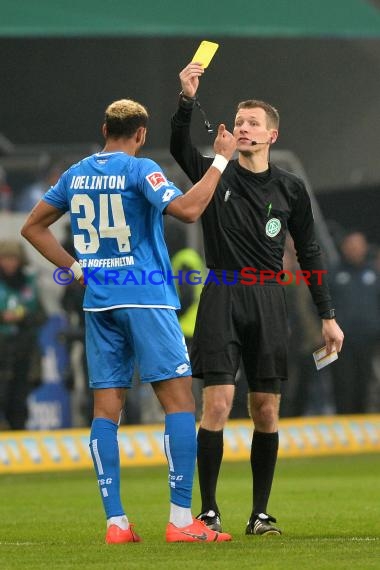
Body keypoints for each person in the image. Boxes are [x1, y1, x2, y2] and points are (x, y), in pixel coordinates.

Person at [21, 98, 236, 544]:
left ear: (104, 128)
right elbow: (191, 209)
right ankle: (180, 521)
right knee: (179, 402)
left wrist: (77, 268)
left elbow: (33, 227)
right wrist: (219, 160)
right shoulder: (141, 171)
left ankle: (116, 524)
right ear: (141, 133)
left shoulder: (75, 173)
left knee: (105, 411)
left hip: (100, 302)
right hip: (146, 297)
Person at [170, 63, 344, 536]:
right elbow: (178, 146)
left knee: (266, 408)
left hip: (269, 297)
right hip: (223, 292)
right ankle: (208, 510)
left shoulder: (290, 188)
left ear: (271, 135)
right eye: (238, 121)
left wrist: (327, 316)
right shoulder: (215, 171)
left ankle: (260, 514)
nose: (242, 128)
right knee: (219, 403)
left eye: (251, 123)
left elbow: (309, 252)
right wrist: (187, 100)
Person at [329, 231, 380, 413]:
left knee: (366, 384)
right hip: (341, 342)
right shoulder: (333, 274)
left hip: (369, 340)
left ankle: (362, 422)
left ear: (365, 247)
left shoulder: (373, 274)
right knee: (343, 384)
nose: (354, 249)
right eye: (351, 245)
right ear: (344, 247)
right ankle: (342, 423)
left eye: (358, 245)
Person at [0, 240, 45, 429]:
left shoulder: (29, 284)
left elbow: (42, 316)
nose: (9, 263)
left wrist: (24, 316)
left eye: (13, 259)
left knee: (19, 401)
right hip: (2, 350)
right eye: (5, 258)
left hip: (23, 352)